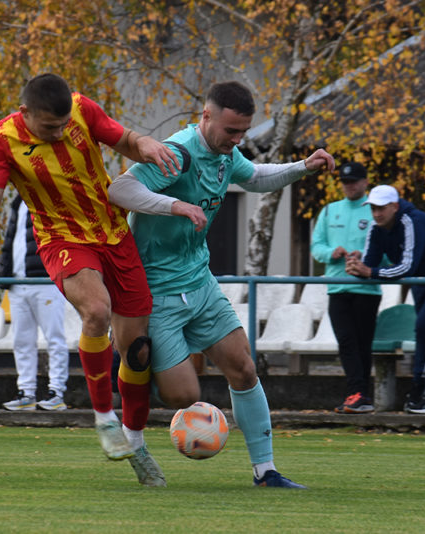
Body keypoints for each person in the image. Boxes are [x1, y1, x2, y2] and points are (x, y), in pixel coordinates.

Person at [108, 80, 334, 488]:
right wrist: (175, 205)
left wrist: (303, 166)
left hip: (200, 281)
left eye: (243, 131)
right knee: (182, 396)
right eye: (231, 130)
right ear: (206, 116)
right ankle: (126, 369)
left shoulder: (225, 153)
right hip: (158, 290)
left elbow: (255, 177)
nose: (237, 139)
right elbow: (120, 189)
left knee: (244, 367)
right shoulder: (178, 152)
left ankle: (265, 471)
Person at [0, 73, 180, 487]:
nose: (59, 133)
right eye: (50, 127)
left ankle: (135, 442)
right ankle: (103, 416)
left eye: (64, 125)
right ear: (25, 112)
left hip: (115, 234)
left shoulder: (83, 109)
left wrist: (146, 145)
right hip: (62, 238)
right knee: (97, 311)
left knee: (137, 351)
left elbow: (125, 140)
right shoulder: (1, 142)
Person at [345, 184, 425, 414]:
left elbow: (405, 267)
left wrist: (369, 271)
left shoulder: (412, 221)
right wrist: (356, 265)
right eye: (373, 209)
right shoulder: (375, 228)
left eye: (381, 208)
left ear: (394, 206)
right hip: (422, 280)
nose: (376, 214)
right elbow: (371, 264)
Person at [310, 161, 382, 414]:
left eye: (354, 182)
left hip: (366, 289)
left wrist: (365, 256)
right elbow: (316, 246)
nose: (349, 186)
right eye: (345, 182)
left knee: (362, 344)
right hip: (337, 287)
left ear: (365, 182)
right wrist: (332, 253)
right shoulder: (330, 210)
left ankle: (360, 395)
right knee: (346, 342)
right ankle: (358, 394)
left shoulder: (375, 211)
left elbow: (387, 252)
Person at [0, 195, 69, 411]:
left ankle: (56, 392)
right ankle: (26, 392)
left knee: (54, 338)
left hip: (46, 281)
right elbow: (11, 240)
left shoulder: (47, 196)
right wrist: (5, 273)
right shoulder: (17, 202)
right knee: (22, 340)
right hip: (17, 282)